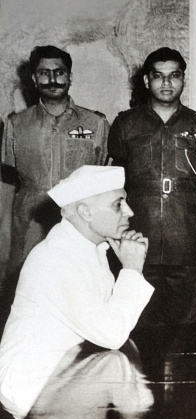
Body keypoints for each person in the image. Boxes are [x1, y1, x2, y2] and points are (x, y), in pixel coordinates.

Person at [0, 165, 154, 419]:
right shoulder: (57, 259)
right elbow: (112, 334)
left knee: (141, 401)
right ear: (85, 212)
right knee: (142, 408)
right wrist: (132, 268)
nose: (130, 212)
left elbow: (112, 327)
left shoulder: (89, 247)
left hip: (65, 374)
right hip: (32, 389)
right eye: (118, 204)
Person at [107, 47, 196, 326]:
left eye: (174, 76)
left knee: (186, 332)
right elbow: (114, 187)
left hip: (187, 244)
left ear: (183, 80)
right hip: (137, 242)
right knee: (137, 329)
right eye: (158, 76)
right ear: (146, 81)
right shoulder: (125, 124)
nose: (166, 83)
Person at [1, 45, 109, 285]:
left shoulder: (97, 123)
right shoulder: (16, 125)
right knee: (28, 290)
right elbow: (7, 185)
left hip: (80, 226)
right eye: (44, 73)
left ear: (70, 76)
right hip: (29, 227)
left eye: (59, 72)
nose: (52, 80)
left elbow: (104, 184)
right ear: (33, 78)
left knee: (78, 289)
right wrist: (4, 237)